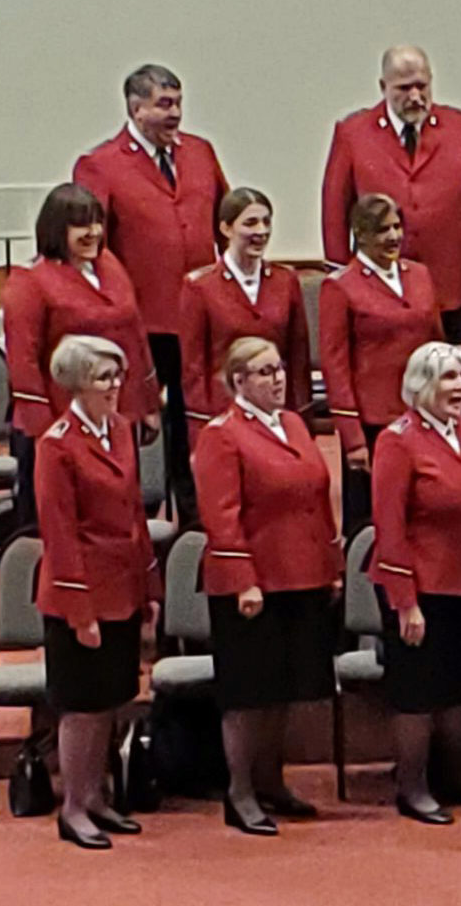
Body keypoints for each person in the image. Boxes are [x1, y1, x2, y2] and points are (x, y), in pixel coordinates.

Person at [191, 337, 342, 835]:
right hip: (252, 583)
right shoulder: (222, 435)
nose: (277, 379)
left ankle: (271, 781)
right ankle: (239, 791)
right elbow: (221, 516)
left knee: (283, 688)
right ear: (238, 381)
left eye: (279, 369)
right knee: (248, 693)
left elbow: (318, 498)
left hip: (302, 574)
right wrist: (243, 580)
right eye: (263, 372)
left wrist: (331, 564)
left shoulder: (295, 423)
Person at [74, 64, 229, 525]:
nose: (175, 114)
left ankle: (196, 527)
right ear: (134, 107)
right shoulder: (100, 165)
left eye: (178, 103)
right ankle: (129, 526)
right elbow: (90, 248)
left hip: (197, 318)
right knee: (130, 427)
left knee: (194, 427)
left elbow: (226, 220)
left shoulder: (201, 154)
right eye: (164, 104)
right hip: (138, 324)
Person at [370, 342, 461, 824]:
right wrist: (405, 603)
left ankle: (455, 776)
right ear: (420, 384)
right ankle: (412, 785)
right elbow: (389, 525)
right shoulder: (397, 440)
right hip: (422, 588)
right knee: (419, 693)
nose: (460, 388)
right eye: (449, 378)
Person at [32, 335, 159, 849]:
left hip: (122, 584)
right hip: (80, 591)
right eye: (104, 378)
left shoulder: (122, 430)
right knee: (81, 705)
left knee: (112, 697)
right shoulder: (56, 445)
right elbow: (59, 534)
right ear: (76, 384)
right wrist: (79, 611)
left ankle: (99, 796)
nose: (115, 386)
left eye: (117, 375)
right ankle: (74, 806)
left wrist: (149, 581)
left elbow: (134, 510)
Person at [2, 184, 160, 530]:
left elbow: (134, 333)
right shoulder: (29, 281)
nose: (93, 233)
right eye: (81, 226)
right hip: (60, 418)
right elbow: (23, 360)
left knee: (116, 512)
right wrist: (44, 430)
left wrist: (147, 404)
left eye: (97, 223)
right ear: (56, 229)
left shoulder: (111, 266)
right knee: (59, 521)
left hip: (115, 412)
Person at [323, 46, 461, 343]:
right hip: (378, 293)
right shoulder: (352, 133)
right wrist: (342, 284)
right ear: (383, 87)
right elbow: (334, 213)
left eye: (422, 86)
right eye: (404, 88)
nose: (415, 96)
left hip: (450, 291)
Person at [319, 194, 444, 532]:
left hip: (422, 413)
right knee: (370, 521)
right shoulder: (340, 286)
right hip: (373, 420)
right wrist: (352, 437)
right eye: (382, 230)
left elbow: (437, 341)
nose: (393, 236)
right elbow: (335, 364)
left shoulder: (420, 275)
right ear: (359, 234)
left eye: (397, 227)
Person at [178, 188, 312, 436]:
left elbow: (298, 357)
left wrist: (302, 421)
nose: (261, 231)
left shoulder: (286, 280)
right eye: (250, 223)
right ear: (226, 228)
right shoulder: (200, 287)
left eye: (266, 222)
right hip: (225, 416)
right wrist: (200, 429)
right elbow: (193, 368)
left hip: (276, 414)